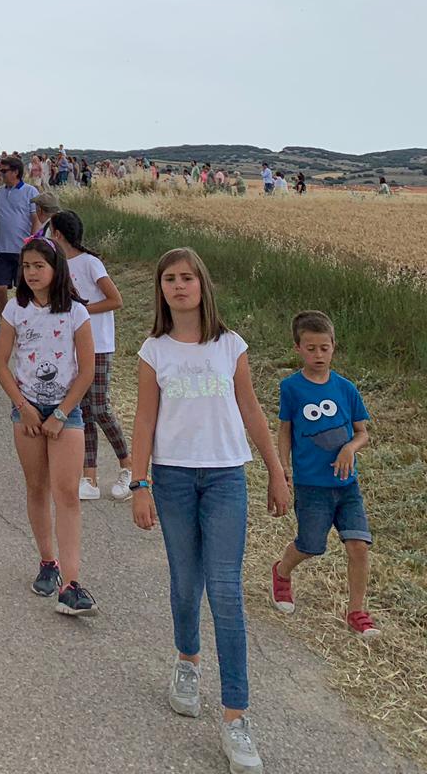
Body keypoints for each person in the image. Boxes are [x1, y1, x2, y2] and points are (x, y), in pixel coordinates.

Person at [129, 247, 290, 773]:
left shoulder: (230, 345)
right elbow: (144, 423)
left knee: (225, 591)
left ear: (203, 285)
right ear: (161, 289)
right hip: (173, 478)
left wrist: (275, 470)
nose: (179, 286)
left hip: (225, 476)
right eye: (169, 278)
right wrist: (139, 483)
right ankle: (187, 663)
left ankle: (236, 717)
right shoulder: (154, 351)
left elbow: (251, 409)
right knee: (184, 583)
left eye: (187, 277)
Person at [0, 235, 96, 616]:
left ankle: (71, 582)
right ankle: (47, 561)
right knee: (36, 486)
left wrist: (61, 414)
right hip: (28, 410)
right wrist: (24, 406)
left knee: (66, 492)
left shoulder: (76, 313)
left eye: (39, 266)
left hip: (66, 411)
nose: (32, 273)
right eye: (27, 266)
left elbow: (86, 370)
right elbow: (1, 363)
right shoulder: (15, 311)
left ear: (56, 269)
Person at [271, 311, 376, 637]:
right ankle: (282, 572)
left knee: (359, 546)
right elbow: (285, 431)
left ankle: (356, 610)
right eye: (311, 348)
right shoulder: (291, 388)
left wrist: (349, 449)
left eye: (324, 348)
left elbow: (362, 433)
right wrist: (281, 470)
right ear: (298, 348)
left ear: (334, 347)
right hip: (311, 485)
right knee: (311, 545)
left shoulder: (346, 389)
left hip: (347, 485)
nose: (318, 355)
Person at [50, 210, 131, 502]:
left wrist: (82, 310)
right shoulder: (59, 265)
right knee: (83, 412)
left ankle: (128, 467)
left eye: (50, 232)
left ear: (58, 234)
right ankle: (90, 477)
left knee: (99, 408)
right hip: (73, 347)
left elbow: (115, 299)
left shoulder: (89, 263)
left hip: (98, 345)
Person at [0, 156, 39, 316]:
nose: (1, 174)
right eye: (0, 170)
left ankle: (25, 318)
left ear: (16, 172)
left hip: (22, 250)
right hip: (1, 250)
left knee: (24, 289)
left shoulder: (30, 191)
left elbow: (36, 219)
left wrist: (32, 243)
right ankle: (6, 319)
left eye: (4, 171)